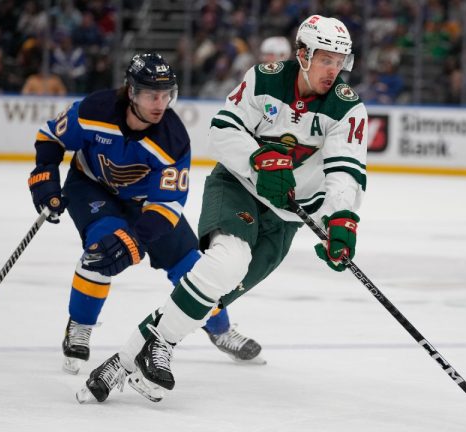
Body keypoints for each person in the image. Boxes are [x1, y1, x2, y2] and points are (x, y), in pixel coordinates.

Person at [77, 15, 368, 404]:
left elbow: (345, 170)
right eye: (325, 59)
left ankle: (130, 358)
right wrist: (259, 161)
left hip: (286, 216)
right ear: (303, 54)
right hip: (238, 188)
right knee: (226, 263)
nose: (333, 70)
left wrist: (341, 220)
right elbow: (224, 128)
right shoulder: (264, 79)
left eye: (340, 61)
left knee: (215, 294)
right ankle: (152, 351)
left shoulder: (347, 109)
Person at [27, 52, 262, 375]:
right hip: (91, 187)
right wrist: (45, 179)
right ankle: (80, 325)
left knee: (192, 268)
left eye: (167, 95)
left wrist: (135, 239)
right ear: (132, 92)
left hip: (147, 204)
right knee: (101, 250)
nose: (161, 103)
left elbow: (166, 206)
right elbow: (51, 136)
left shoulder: (173, 139)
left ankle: (221, 329)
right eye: (153, 94)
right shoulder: (94, 110)